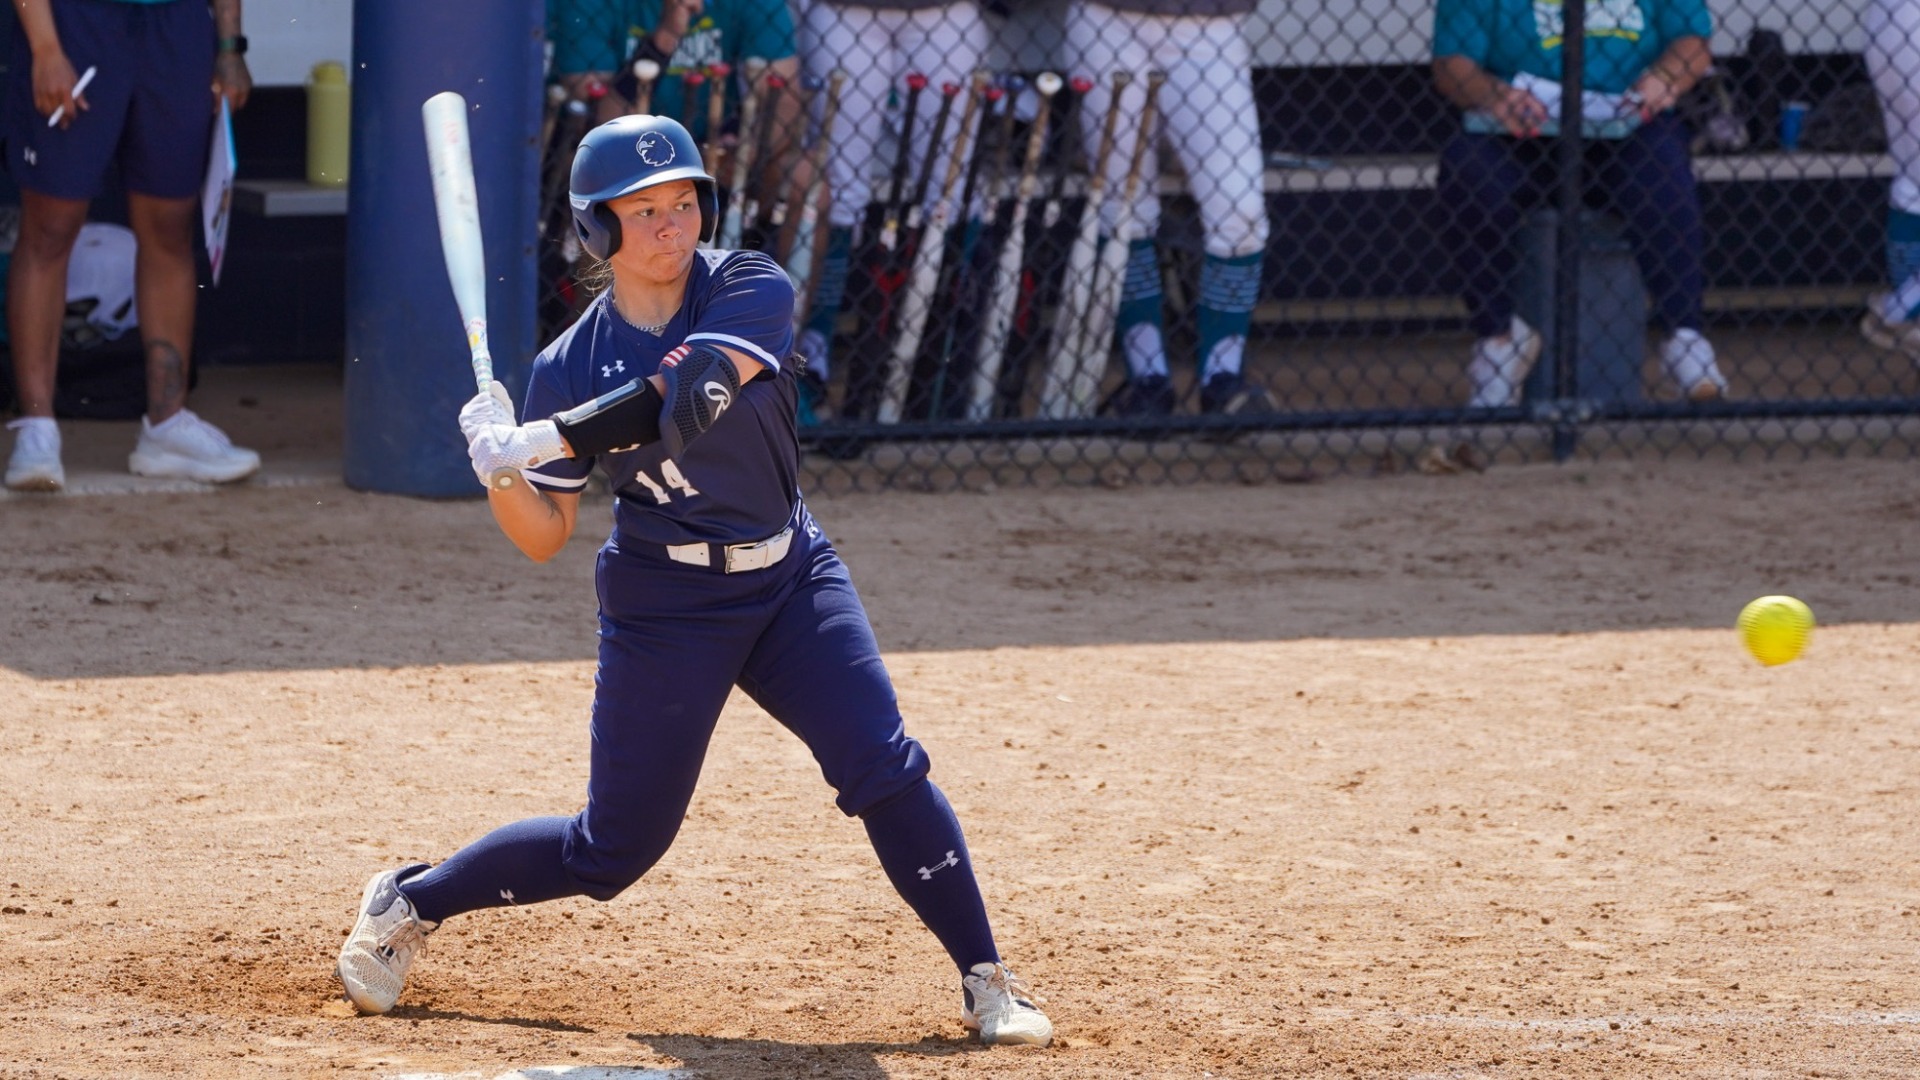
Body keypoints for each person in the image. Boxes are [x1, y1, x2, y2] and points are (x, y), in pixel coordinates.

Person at [334, 115, 1054, 1048]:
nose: (673, 226)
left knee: (883, 765)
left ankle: (984, 975)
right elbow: (544, 536)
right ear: (597, 231)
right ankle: (411, 899)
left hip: (791, 577)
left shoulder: (748, 285)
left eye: (685, 203)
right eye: (644, 211)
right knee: (613, 852)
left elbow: (691, 391)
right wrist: (498, 466)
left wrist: (541, 438)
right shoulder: (567, 365)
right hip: (666, 602)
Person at [3, 0, 260, 492]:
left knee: (170, 225)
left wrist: (230, 45)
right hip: (77, 20)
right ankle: (37, 429)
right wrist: (45, 46)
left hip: (177, 24)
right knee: (51, 226)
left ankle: (166, 426)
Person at [1431, 0, 1727, 408]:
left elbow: (1692, 44)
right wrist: (1496, 95)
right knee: (1468, 169)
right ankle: (1499, 340)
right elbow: (1452, 65)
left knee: (1664, 169)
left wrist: (1664, 78)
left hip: (1626, 126)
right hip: (1522, 130)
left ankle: (1685, 339)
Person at [1071, 0, 1272, 419]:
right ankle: (1148, 379)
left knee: (1240, 209)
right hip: (1106, 19)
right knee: (1123, 208)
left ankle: (1222, 380)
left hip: (1209, 22)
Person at [794, 0, 989, 421]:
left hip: (944, 14)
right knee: (837, 188)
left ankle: (938, 364)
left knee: (951, 192)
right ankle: (812, 358)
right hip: (842, 12)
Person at [1861, 0, 1920, 361]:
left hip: (1891, 22)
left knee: (1913, 180)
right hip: (1909, 28)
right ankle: (1904, 307)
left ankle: (1907, 302)